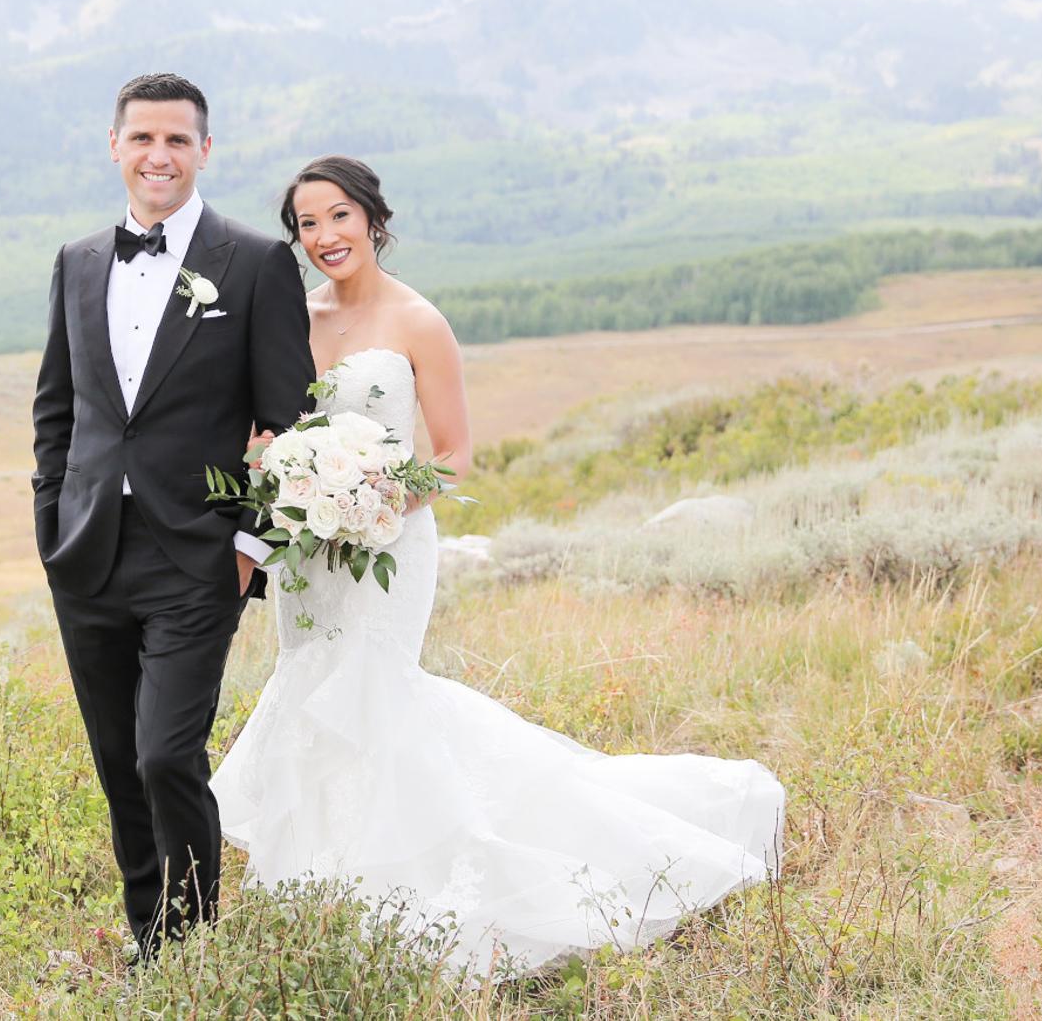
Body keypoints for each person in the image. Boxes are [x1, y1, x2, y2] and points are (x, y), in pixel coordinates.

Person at [211, 154, 785, 976]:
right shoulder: (291, 319)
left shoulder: (417, 321)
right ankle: (318, 889)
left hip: (385, 545)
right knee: (308, 690)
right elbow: (266, 427)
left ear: (373, 219)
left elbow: (452, 458)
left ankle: (403, 895)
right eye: (306, 223)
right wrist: (282, 479)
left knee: (376, 696)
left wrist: (374, 506)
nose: (324, 236)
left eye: (339, 216)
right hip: (308, 558)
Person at [30, 73, 318, 960]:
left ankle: (193, 949)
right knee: (120, 764)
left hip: (198, 555)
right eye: (144, 139)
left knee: (166, 756)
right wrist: (52, 521)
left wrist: (247, 547)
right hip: (87, 551)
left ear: (204, 151)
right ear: (113, 146)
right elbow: (57, 407)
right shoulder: (78, 260)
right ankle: (150, 946)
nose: (160, 156)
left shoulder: (256, 261)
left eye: (178, 142)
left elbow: (293, 425)